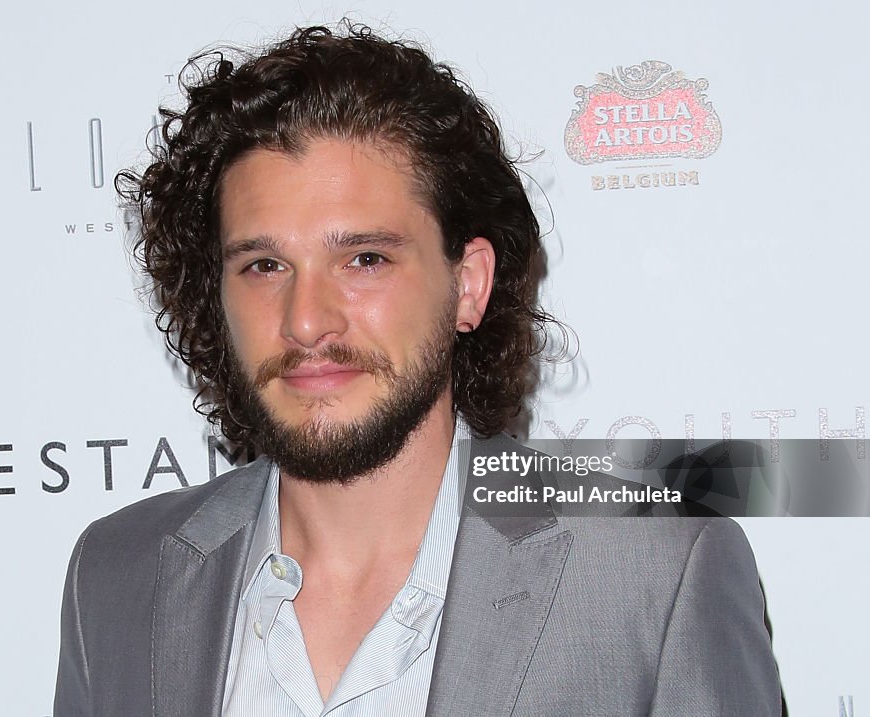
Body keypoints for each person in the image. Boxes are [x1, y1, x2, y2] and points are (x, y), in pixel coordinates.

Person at [54, 22, 782, 716]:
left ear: (467, 284)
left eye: (364, 259)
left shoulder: (656, 577)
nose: (307, 319)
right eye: (265, 264)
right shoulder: (118, 576)